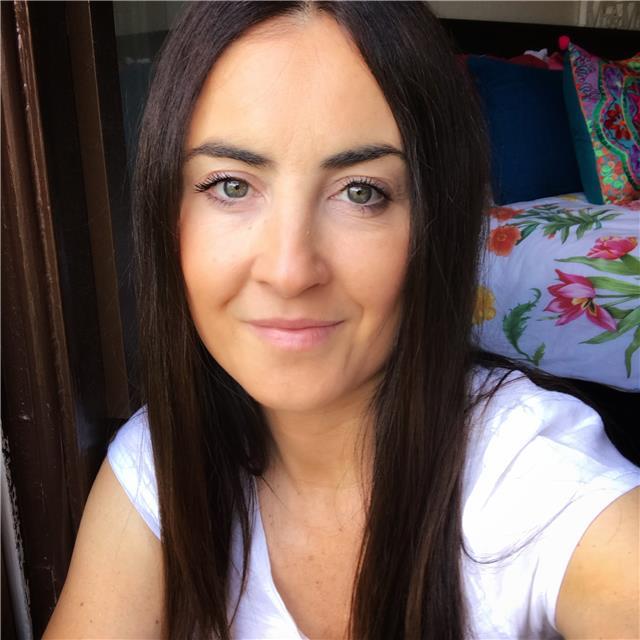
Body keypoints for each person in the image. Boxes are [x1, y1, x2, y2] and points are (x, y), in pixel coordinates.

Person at [43, 2, 639, 639]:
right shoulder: (157, 463)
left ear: (436, 225)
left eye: (362, 191)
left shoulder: (531, 477)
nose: (289, 270)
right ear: (169, 213)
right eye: (231, 186)